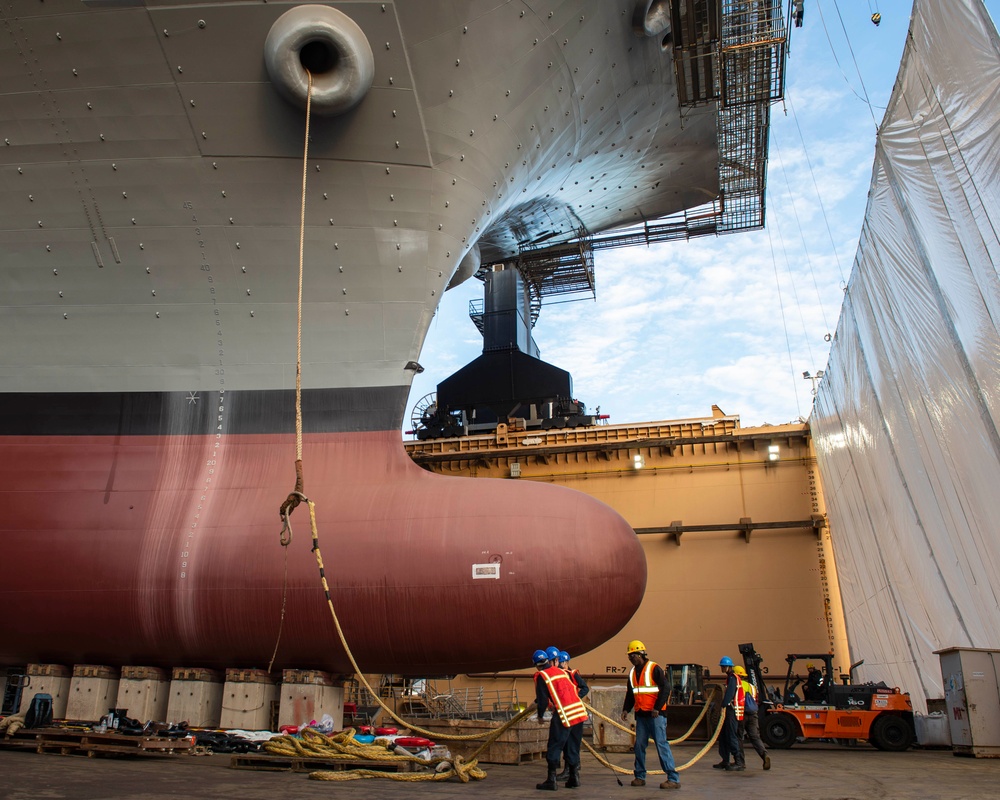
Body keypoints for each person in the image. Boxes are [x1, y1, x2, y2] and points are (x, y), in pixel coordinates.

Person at [620, 640, 680, 790]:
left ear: (640, 654)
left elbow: (666, 688)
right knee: (639, 745)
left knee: (661, 745)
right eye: (629, 656)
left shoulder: (654, 668)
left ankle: (673, 778)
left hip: (655, 716)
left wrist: (657, 708)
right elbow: (631, 693)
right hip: (641, 715)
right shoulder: (633, 672)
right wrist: (626, 709)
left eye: (632, 655)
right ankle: (639, 776)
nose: (630, 658)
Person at [534, 648, 587, 790]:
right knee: (572, 746)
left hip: (564, 714)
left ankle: (551, 780)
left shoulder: (541, 676)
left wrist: (540, 716)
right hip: (579, 712)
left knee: (555, 745)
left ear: (536, 664)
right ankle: (574, 778)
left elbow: (542, 701)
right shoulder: (562, 672)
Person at [556, 650, 589, 782]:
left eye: (562, 663)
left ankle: (570, 771)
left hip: (573, 712)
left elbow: (585, 688)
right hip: (565, 711)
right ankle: (571, 770)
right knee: (568, 743)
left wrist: (576, 698)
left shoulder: (572, 674)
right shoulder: (560, 675)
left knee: (571, 742)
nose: (560, 665)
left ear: (566, 663)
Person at [733, 666, 770, 770]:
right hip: (753, 714)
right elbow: (756, 700)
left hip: (741, 714)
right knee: (755, 736)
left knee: (738, 737)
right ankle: (764, 754)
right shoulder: (751, 686)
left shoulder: (737, 685)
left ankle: (740, 762)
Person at [713, 656, 745, 771]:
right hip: (729, 710)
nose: (722, 668)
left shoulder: (733, 678)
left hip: (732, 710)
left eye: (723, 666)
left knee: (731, 735)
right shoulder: (729, 678)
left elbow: (730, 694)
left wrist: (722, 705)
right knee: (724, 736)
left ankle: (738, 761)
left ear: (728, 667)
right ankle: (725, 760)